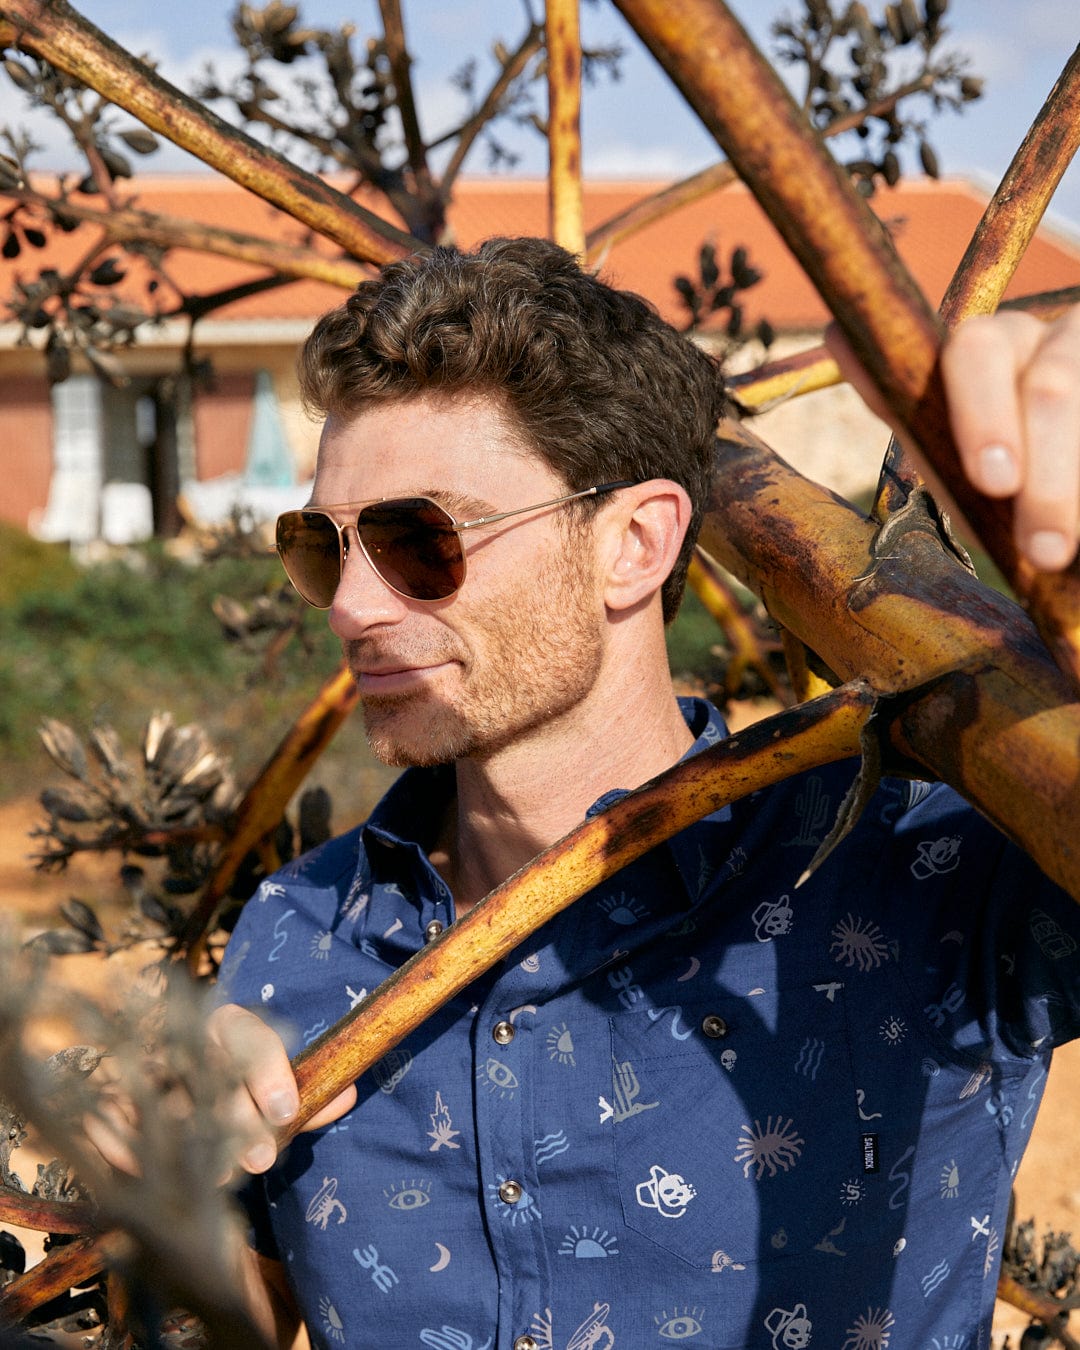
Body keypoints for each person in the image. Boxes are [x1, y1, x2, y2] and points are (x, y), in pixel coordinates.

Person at [211, 236, 1080, 1350]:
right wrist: (173, 1200)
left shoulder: (924, 874)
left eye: (417, 541)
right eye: (321, 548)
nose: (353, 608)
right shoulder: (296, 935)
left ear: (634, 542)